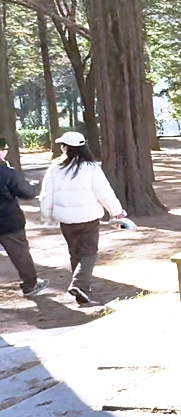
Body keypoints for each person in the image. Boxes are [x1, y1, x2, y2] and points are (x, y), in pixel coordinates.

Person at [39, 131, 126, 305]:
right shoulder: (92, 168)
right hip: (88, 218)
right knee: (88, 252)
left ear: (66, 148)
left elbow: (46, 195)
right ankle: (80, 285)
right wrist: (117, 211)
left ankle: (81, 289)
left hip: (66, 220)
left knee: (75, 252)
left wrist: (46, 214)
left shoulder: (55, 169)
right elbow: (104, 192)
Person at [0, 137, 48, 298]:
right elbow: (26, 192)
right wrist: (35, 185)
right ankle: (31, 285)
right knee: (20, 254)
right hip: (8, 222)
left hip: (8, 221)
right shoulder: (7, 173)